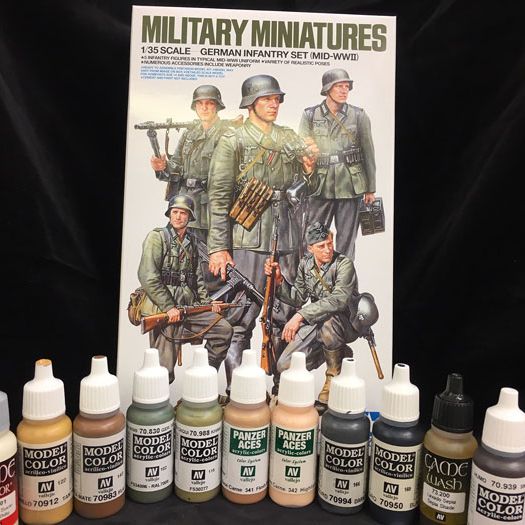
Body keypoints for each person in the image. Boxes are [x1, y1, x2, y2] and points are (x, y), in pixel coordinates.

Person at [207, 74, 319, 389]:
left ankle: (283, 388)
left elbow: (308, 190)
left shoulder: (288, 138)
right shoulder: (233, 140)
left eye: (276, 99)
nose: (274, 104)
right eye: (267, 99)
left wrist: (309, 170)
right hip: (248, 238)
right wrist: (218, 248)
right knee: (240, 318)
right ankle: (239, 390)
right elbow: (219, 196)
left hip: (287, 236)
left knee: (286, 313)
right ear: (251, 103)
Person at [138, 194, 233, 383]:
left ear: (189, 217)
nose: (178, 216)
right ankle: (160, 397)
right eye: (175, 212)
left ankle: (204, 377)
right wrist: (168, 307)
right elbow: (148, 276)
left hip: (188, 309)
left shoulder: (192, 242)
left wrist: (208, 304)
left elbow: (197, 279)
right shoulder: (157, 237)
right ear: (169, 214)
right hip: (165, 312)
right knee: (163, 369)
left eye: (183, 213)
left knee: (224, 330)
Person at [264, 221, 359, 404]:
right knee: (285, 366)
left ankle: (332, 377)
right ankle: (339, 353)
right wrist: (279, 280)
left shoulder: (344, 264)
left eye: (329, 243)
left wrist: (300, 316)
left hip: (345, 322)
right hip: (318, 321)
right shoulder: (306, 264)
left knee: (329, 323)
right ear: (310, 248)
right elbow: (298, 298)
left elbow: (338, 300)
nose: (327, 250)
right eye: (321, 246)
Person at [299, 68, 376, 261]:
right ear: (327, 89)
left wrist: (370, 188)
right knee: (314, 237)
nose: (344, 90)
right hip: (319, 185)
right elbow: (302, 152)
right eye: (339, 86)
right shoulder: (310, 115)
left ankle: (344, 277)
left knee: (347, 241)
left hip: (350, 185)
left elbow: (368, 153)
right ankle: (312, 277)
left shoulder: (358, 115)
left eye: (347, 86)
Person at [150, 85, 234, 244]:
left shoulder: (228, 135)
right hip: (184, 204)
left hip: (211, 209)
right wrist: (163, 167)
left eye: (209, 103)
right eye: (199, 103)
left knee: (209, 253)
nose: (204, 108)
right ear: (195, 107)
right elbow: (176, 167)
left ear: (217, 106)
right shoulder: (189, 134)